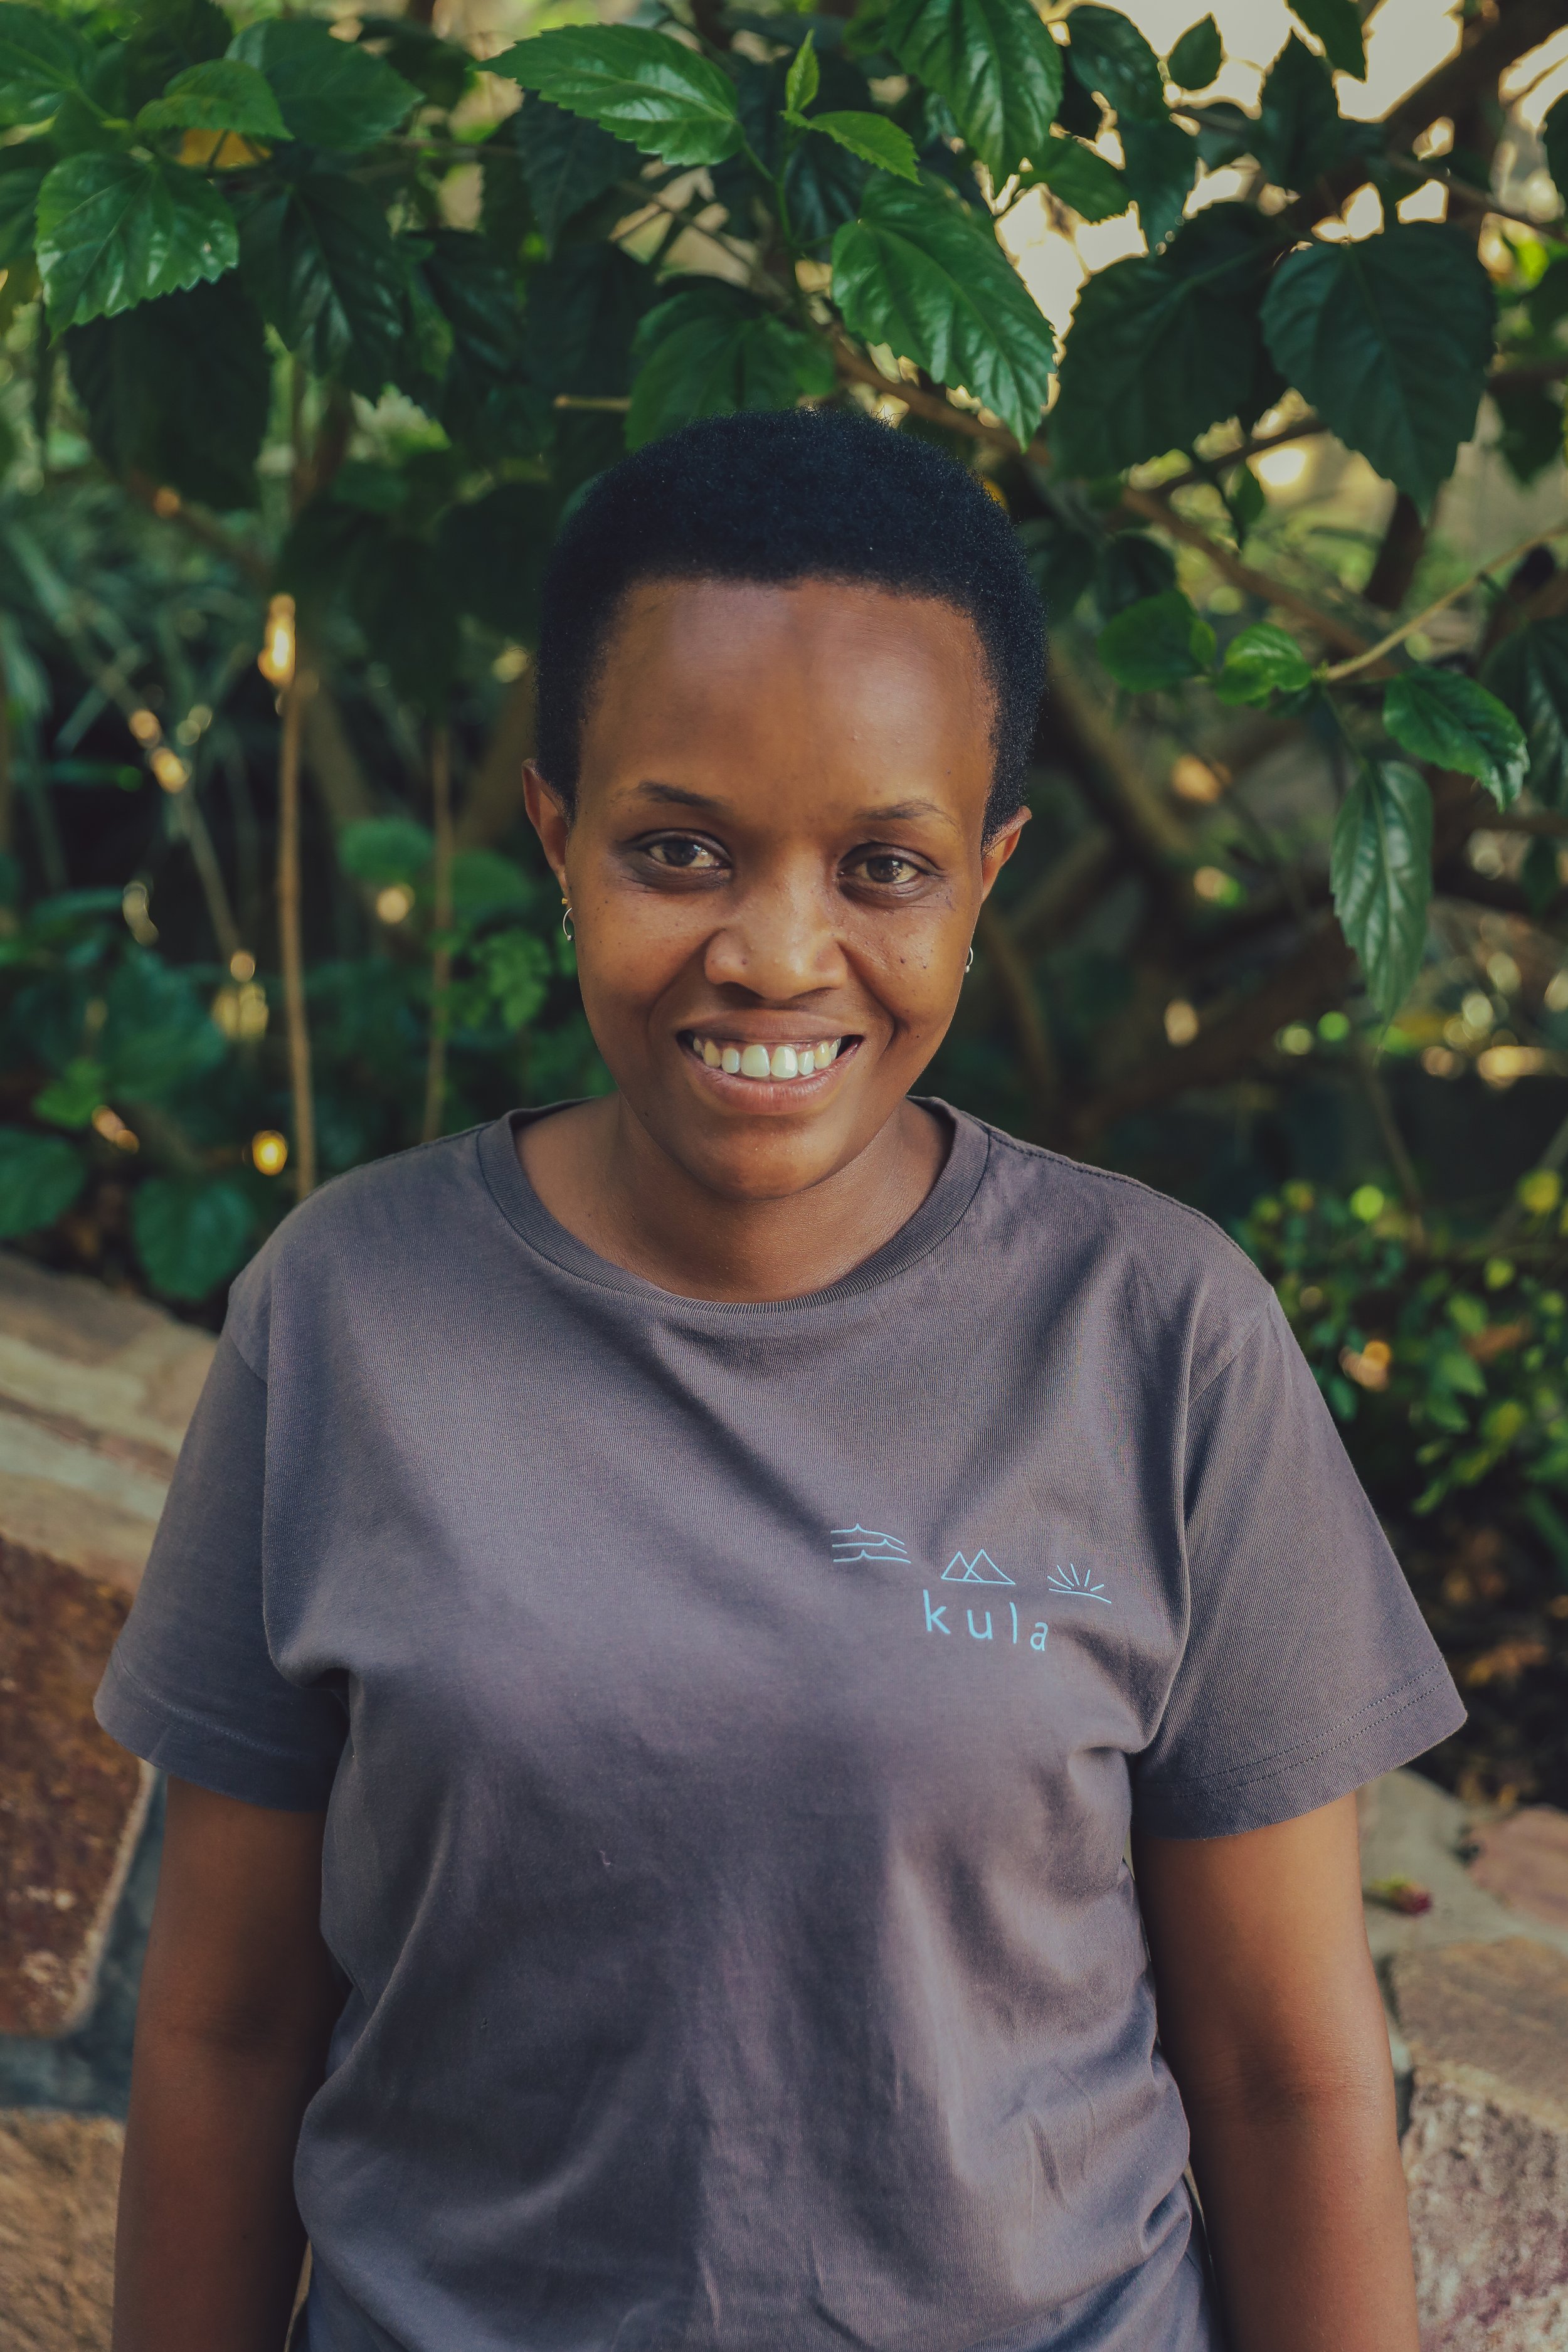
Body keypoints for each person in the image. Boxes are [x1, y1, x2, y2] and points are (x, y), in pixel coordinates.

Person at [99, 409, 1461, 2352]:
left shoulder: (1157, 1340)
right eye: (680, 850)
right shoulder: (346, 1315)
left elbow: (1282, 2079)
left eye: (882, 865)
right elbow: (229, 2027)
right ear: (556, 832)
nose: (776, 950)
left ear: (984, 875)